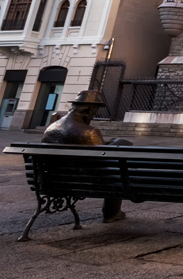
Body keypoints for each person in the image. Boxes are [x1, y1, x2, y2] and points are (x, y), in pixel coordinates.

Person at [42, 90, 132, 222]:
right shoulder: (89, 132)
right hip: (87, 181)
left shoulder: (52, 128)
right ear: (90, 110)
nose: (93, 116)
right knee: (117, 170)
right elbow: (104, 159)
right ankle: (111, 213)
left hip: (52, 180)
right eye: (95, 112)